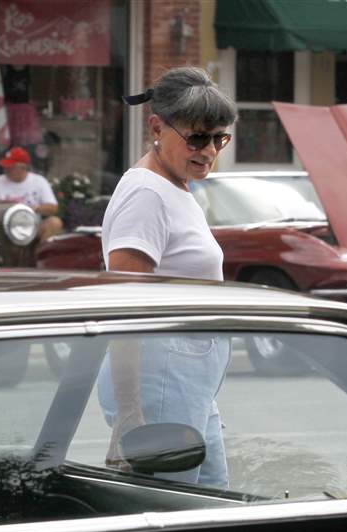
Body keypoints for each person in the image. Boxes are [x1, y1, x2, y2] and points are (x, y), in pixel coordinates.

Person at [96, 67, 237, 488]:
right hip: (160, 380)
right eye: (197, 138)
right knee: (173, 513)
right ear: (156, 126)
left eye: (218, 138)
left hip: (185, 379)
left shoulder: (173, 185)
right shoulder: (146, 194)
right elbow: (125, 307)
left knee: (212, 504)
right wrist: (129, 410)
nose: (208, 150)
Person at [0, 147, 63, 243]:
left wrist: (35, 208)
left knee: (55, 222)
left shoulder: (39, 181)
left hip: (31, 227)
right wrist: (6, 204)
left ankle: (38, 254)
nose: (6, 169)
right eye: (5, 166)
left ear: (23, 168)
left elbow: (53, 208)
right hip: (3, 229)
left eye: (10, 167)